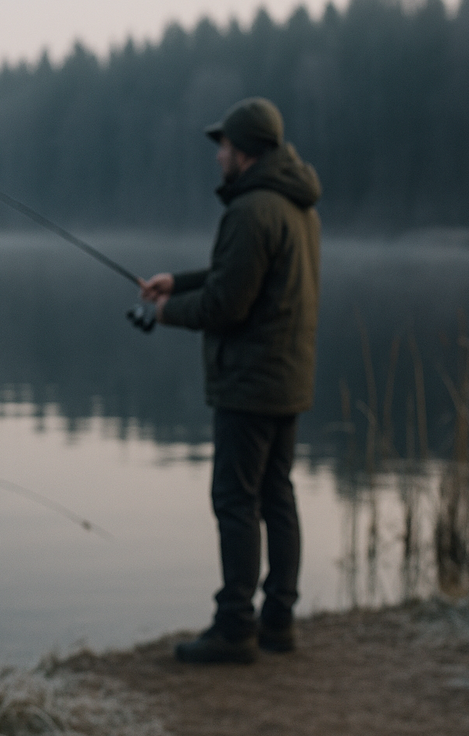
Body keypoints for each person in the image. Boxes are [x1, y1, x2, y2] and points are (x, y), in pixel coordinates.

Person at [140, 97, 321, 664]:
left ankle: (234, 627)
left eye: (223, 146)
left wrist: (166, 312)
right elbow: (239, 274)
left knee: (235, 501)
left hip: (249, 382)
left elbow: (226, 304)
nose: (218, 154)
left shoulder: (249, 210)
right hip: (287, 379)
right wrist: (178, 281)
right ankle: (278, 621)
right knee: (276, 495)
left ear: (243, 152)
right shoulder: (298, 208)